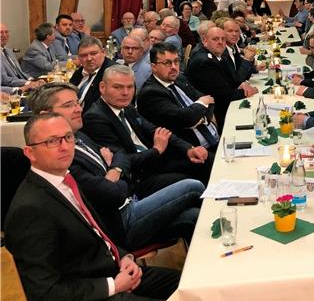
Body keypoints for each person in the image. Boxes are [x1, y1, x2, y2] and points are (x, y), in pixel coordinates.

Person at [4, 113, 180, 301]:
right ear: (30, 153)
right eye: (52, 141)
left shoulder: (65, 180)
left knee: (188, 286)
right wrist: (112, 286)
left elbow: (98, 235)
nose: (64, 146)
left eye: (68, 137)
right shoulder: (30, 209)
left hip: (112, 271)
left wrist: (125, 257)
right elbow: (43, 292)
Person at [27, 84, 204, 251]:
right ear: (45, 115)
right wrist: (115, 170)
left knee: (195, 216)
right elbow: (113, 195)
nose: (78, 109)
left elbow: (119, 154)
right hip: (119, 224)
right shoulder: (60, 155)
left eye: (77, 103)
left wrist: (114, 170)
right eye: (68, 105)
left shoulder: (78, 135)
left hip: (131, 201)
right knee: (193, 186)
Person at [81, 64, 212, 191]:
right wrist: (156, 150)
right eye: (118, 87)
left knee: (206, 160)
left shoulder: (126, 107)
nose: (125, 93)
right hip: (138, 177)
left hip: (154, 161)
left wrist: (188, 149)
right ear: (102, 87)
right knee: (190, 182)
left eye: (130, 87)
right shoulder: (95, 118)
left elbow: (156, 131)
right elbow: (121, 160)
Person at [137, 42, 219, 151]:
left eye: (176, 61)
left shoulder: (179, 79)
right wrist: (201, 105)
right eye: (167, 63)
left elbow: (209, 100)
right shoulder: (151, 93)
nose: (174, 67)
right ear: (154, 67)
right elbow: (187, 118)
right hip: (192, 151)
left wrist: (201, 117)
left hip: (214, 139)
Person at [185, 26, 258, 128]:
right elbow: (223, 96)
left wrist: (241, 84)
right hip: (213, 114)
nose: (220, 42)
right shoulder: (205, 61)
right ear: (205, 41)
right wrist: (249, 91)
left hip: (222, 106)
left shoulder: (216, 55)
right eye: (215, 39)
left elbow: (229, 80)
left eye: (223, 39)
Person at [70, 37, 115, 109]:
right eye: (84, 55)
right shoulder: (81, 71)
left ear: (103, 52)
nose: (89, 59)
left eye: (93, 54)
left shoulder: (112, 73)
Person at [1, 23, 45, 92]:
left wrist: (32, 80)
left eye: (6, 32)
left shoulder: (9, 51)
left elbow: (20, 72)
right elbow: (5, 80)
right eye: (1, 32)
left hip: (22, 84)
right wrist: (27, 84)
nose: (4, 35)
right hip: (11, 90)